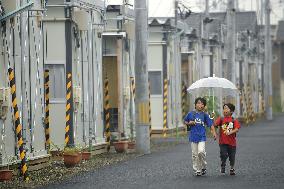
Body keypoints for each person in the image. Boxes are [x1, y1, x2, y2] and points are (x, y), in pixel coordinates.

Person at [184, 97, 217, 176]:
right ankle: (197, 170)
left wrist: (214, 133)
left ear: (204, 106)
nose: (200, 105)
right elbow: (185, 121)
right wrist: (189, 123)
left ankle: (203, 166)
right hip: (193, 137)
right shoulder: (190, 114)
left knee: (201, 152)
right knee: (195, 154)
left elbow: (210, 124)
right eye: (198, 103)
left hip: (202, 137)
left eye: (202, 104)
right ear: (195, 105)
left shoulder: (205, 115)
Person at [214, 103, 241, 175]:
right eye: (224, 108)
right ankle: (223, 164)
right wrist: (213, 119)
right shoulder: (221, 119)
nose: (225, 110)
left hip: (232, 143)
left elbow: (237, 128)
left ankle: (232, 168)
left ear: (231, 111)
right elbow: (215, 125)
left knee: (232, 156)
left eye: (227, 108)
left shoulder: (233, 120)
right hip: (222, 142)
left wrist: (231, 132)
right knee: (223, 154)